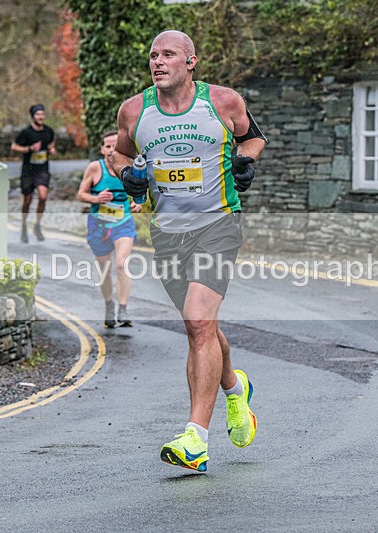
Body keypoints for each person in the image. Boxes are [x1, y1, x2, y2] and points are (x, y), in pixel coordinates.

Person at [112, 30, 267, 472]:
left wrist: (246, 162)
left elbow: (252, 139)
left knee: (199, 322)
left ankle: (194, 439)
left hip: (218, 223)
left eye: (168, 55)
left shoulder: (222, 102)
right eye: (152, 55)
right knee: (201, 327)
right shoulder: (134, 110)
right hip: (167, 231)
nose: (157, 62)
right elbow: (119, 157)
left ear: (191, 61)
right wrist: (128, 176)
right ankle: (236, 391)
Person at [77, 130, 142, 328]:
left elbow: (141, 190)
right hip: (99, 224)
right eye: (107, 146)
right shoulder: (95, 168)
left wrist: (138, 203)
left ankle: (123, 309)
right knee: (104, 270)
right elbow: (81, 194)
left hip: (123, 222)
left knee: (122, 264)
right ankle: (109, 305)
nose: (111, 149)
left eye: (115, 145)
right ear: (102, 149)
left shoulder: (130, 166)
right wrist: (96, 198)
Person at [11, 104, 57, 243]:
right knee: (28, 199)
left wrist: (52, 150)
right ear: (33, 116)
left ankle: (37, 224)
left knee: (43, 196)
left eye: (42, 114)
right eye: (38, 114)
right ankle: (24, 224)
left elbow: (50, 144)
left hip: (42, 169)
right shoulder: (26, 132)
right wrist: (29, 148)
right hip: (28, 170)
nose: (41, 117)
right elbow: (14, 147)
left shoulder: (49, 131)